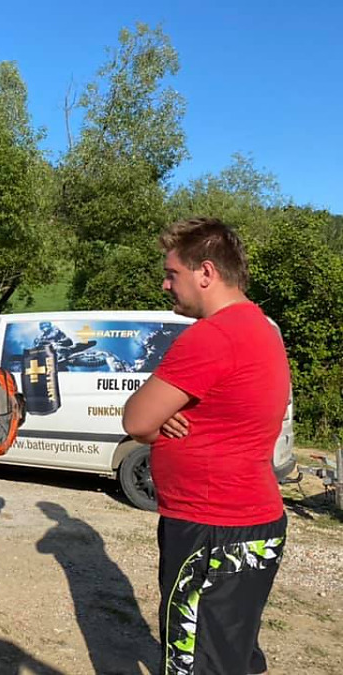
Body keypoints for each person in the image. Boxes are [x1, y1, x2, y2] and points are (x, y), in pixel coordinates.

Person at [122, 218, 290, 675]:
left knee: (195, 661)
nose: (165, 284)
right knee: (229, 653)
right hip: (247, 521)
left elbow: (136, 420)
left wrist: (156, 420)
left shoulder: (212, 336)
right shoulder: (260, 326)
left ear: (206, 272)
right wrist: (164, 418)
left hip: (212, 529)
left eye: (172, 273)